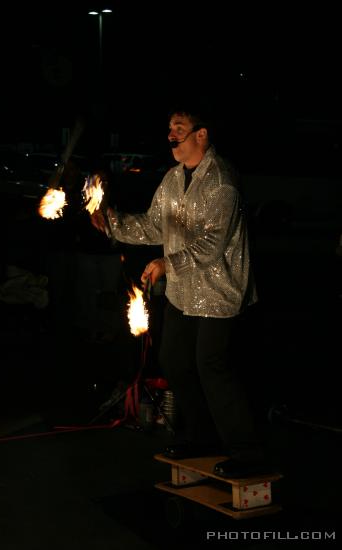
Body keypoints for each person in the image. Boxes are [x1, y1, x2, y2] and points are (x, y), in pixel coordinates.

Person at [91, 104, 269, 478]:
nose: (171, 134)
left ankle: (247, 452)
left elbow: (212, 244)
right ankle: (202, 437)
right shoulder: (173, 179)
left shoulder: (222, 182)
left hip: (220, 293)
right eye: (169, 127)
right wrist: (111, 223)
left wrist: (166, 264)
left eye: (179, 127)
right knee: (174, 360)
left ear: (201, 134)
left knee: (212, 366)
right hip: (183, 293)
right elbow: (156, 226)